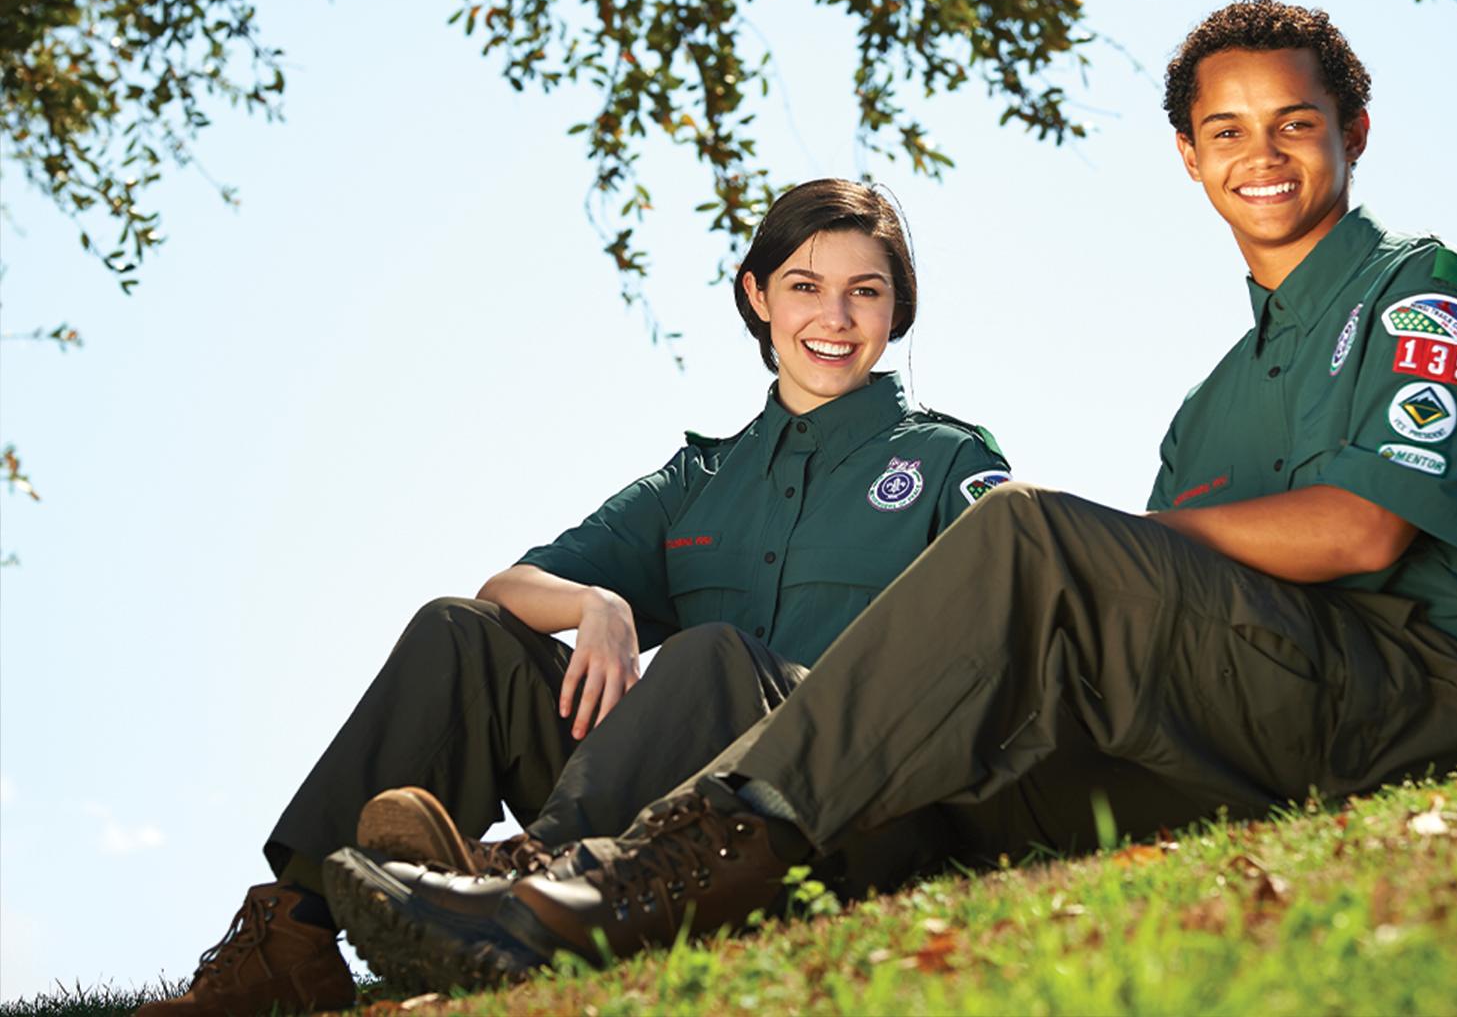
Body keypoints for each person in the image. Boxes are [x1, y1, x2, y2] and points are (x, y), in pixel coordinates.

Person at [326, 0, 1457, 985]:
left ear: (1352, 133)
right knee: (987, 732)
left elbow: (1363, 527)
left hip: (1395, 698)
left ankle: (602, 884)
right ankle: (331, 921)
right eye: (1227, 131)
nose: (1261, 156)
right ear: (1190, 159)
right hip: (1237, 721)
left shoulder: (1419, 296)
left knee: (1017, 534)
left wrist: (1112, 548)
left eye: (1295, 124)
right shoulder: (1207, 405)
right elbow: (1129, 637)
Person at [136, 178, 1012, 1017]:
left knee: (711, 652)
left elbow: (1000, 637)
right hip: (663, 813)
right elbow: (508, 587)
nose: (834, 317)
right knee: (462, 632)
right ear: (756, 297)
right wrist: (599, 602)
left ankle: (525, 887)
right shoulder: (698, 479)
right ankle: (290, 938)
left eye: (865, 290)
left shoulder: (945, 461)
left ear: (898, 308)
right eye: (804, 286)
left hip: (829, 807)